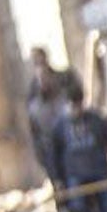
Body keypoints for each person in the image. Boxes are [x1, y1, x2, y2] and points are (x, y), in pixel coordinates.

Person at [25, 47, 74, 185]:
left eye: (41, 60)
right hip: (49, 145)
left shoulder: (65, 79)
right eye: (35, 61)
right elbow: (34, 126)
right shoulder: (34, 96)